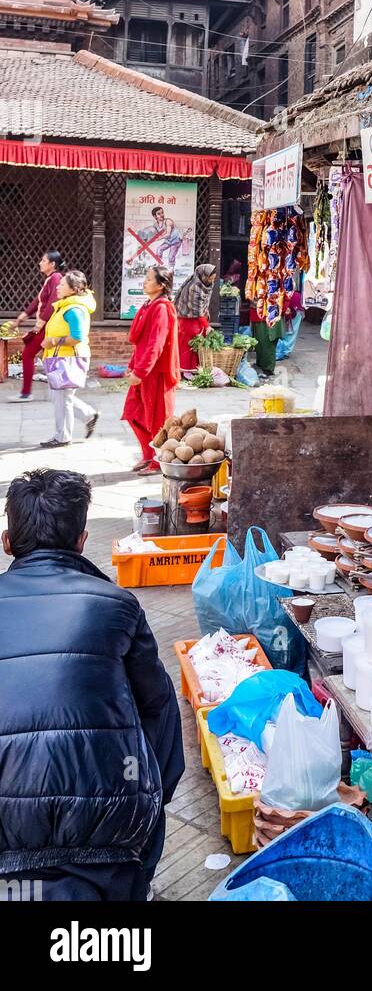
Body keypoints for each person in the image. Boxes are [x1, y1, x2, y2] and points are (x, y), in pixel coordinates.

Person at [0, 469, 184, 901]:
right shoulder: (115, 603)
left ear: (7, 541)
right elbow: (156, 706)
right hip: (111, 818)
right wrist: (148, 785)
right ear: (83, 540)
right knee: (153, 732)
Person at [122, 265, 180, 475]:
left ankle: (158, 462)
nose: (144, 282)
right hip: (144, 369)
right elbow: (141, 343)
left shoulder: (162, 308)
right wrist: (132, 367)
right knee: (133, 413)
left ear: (161, 285)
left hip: (157, 373)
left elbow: (156, 343)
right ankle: (148, 454)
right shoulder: (149, 305)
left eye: (148, 279)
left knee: (158, 420)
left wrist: (141, 371)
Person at [39, 269, 99, 449]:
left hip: (69, 358)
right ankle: (89, 415)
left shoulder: (74, 309)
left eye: (62, 284)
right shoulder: (66, 305)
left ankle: (63, 436)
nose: (58, 286)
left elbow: (77, 336)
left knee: (62, 398)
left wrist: (53, 341)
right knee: (60, 395)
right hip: (62, 357)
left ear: (73, 289)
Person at [10, 250, 66, 402]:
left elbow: (53, 304)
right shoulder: (50, 279)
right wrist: (22, 317)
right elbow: (38, 301)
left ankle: (26, 393)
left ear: (52, 264)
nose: (40, 263)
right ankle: (57, 390)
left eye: (43, 260)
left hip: (48, 326)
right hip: (46, 325)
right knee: (51, 357)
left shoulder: (56, 278)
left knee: (28, 354)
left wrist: (39, 325)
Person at [175, 264, 217, 372]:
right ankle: (183, 370)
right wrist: (207, 326)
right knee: (187, 347)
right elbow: (196, 310)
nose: (211, 281)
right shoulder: (194, 287)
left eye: (213, 278)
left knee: (195, 348)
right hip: (188, 321)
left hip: (198, 321)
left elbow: (203, 305)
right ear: (203, 276)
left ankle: (193, 370)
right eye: (210, 278)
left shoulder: (206, 284)